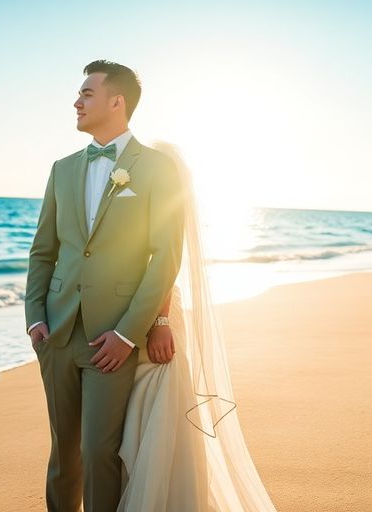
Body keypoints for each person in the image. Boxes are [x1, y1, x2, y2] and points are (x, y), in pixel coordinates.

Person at [25, 59, 185, 512]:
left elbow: (165, 256)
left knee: (99, 452)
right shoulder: (62, 169)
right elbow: (43, 250)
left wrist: (131, 331)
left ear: (117, 102)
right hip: (55, 332)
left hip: (112, 336)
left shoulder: (156, 168)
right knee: (64, 454)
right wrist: (34, 317)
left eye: (87, 93)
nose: (77, 102)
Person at [115, 140, 277, 511]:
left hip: (159, 317)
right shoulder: (142, 200)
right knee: (138, 417)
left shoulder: (163, 205)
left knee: (158, 409)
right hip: (139, 314)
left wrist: (160, 321)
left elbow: (164, 264)